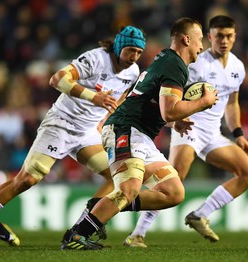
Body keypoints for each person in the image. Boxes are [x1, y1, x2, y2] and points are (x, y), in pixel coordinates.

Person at [0, 25, 146, 247]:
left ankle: (79, 230)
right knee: (27, 179)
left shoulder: (133, 71)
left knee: (118, 178)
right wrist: (93, 97)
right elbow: (57, 79)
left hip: (86, 132)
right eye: (130, 51)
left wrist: (100, 123)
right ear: (118, 46)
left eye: (138, 52)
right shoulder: (96, 59)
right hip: (61, 124)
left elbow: (119, 96)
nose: (134, 56)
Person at [60, 17, 218, 251]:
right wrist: (203, 102)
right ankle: (77, 236)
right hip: (126, 130)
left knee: (173, 192)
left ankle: (99, 206)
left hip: (140, 134)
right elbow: (169, 109)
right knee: (129, 189)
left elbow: (153, 105)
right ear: (186, 39)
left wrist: (175, 122)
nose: (202, 46)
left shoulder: (167, 61)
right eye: (199, 39)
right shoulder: (174, 65)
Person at [123, 15, 248, 247]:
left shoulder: (237, 67)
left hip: (213, 133)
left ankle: (199, 215)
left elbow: (232, 103)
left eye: (229, 36)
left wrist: (238, 133)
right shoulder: (196, 62)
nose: (224, 41)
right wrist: (177, 121)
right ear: (209, 37)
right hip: (189, 127)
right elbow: (172, 96)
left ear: (235, 37)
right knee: (174, 178)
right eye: (219, 36)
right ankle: (138, 233)